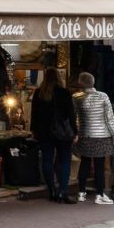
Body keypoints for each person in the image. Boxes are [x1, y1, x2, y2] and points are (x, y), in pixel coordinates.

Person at [29, 72, 77, 203]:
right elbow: (71, 114)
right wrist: (75, 131)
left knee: (47, 160)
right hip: (62, 133)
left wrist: (33, 130)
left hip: (44, 133)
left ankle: (51, 190)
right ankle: (63, 192)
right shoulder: (64, 92)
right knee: (65, 161)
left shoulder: (39, 93)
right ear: (58, 78)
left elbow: (34, 114)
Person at [73, 71, 114, 205]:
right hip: (102, 135)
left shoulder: (76, 97)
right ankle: (100, 194)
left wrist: (77, 133)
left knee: (84, 163)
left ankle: (81, 192)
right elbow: (109, 118)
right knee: (99, 165)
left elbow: (74, 118)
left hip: (85, 135)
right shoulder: (103, 96)